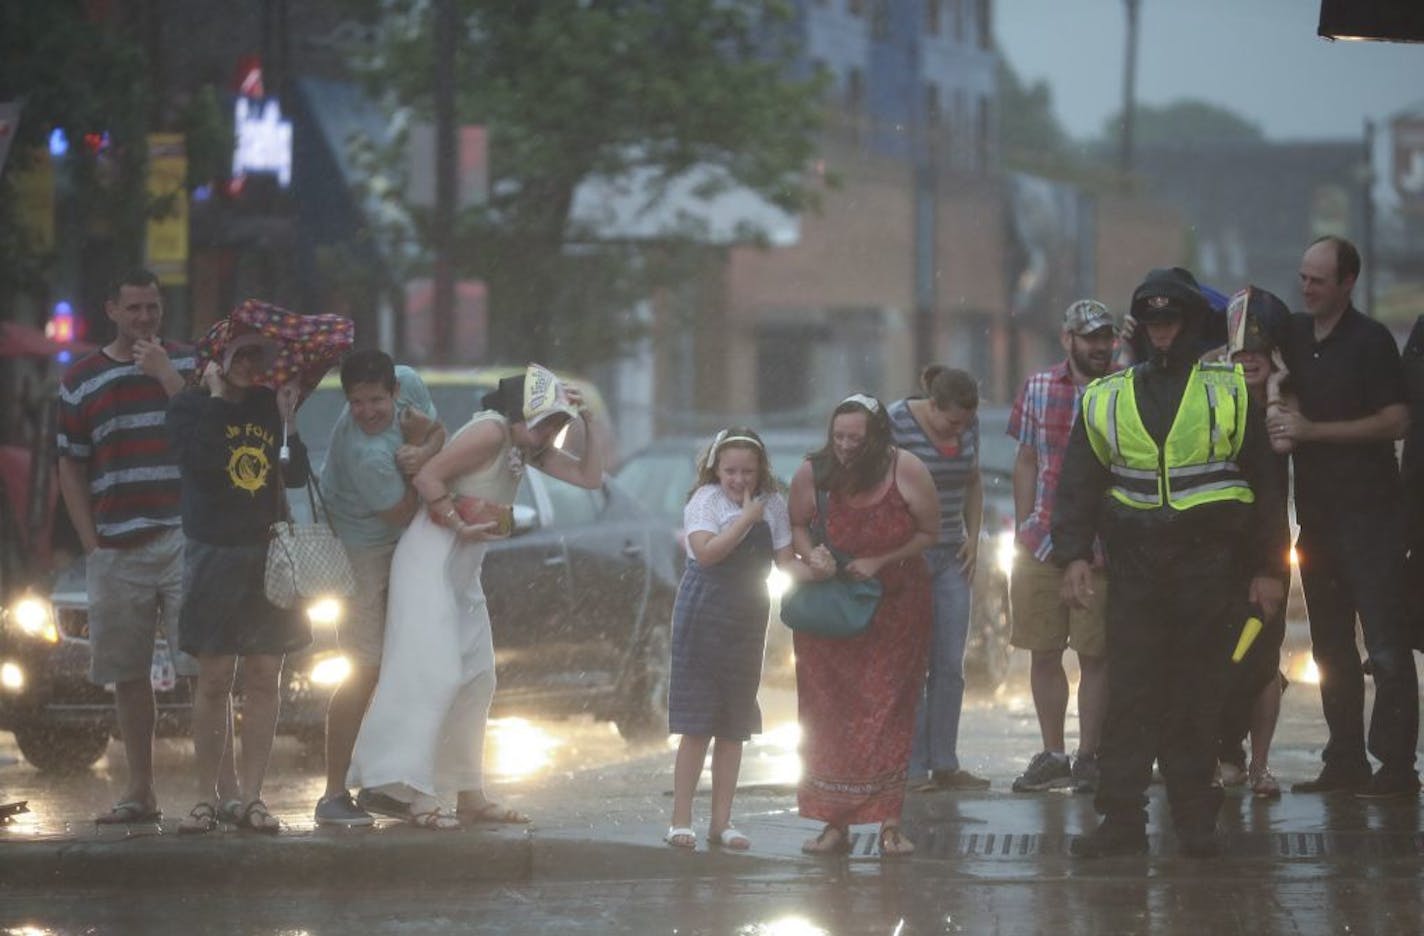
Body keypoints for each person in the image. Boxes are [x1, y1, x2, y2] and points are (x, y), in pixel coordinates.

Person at [1053, 267, 1288, 858]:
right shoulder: (1106, 396)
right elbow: (1078, 483)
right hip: (1134, 571)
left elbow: (1266, 486)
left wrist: (1268, 571)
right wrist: (1073, 556)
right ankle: (1122, 823)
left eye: (1172, 322)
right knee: (1130, 697)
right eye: (1153, 323)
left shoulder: (1228, 390)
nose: (1162, 334)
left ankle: (1195, 822)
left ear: (1189, 324)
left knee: (1195, 698)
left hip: (1210, 570)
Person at [348, 363, 606, 829]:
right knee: (436, 673)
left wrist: (589, 419)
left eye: (556, 425)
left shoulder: (525, 446)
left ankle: (469, 792)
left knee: (477, 675)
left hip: (464, 568)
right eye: (544, 420)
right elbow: (429, 478)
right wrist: (458, 521)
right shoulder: (491, 431)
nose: (549, 432)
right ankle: (405, 790)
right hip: (431, 555)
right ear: (521, 412)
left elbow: (590, 478)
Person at [55, 269, 233, 824]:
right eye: (133, 309)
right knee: (128, 674)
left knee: (208, 670)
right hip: (117, 543)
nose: (144, 319)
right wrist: (92, 544)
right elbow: (70, 466)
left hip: (185, 536)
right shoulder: (81, 380)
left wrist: (164, 376)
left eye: (152, 309)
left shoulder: (187, 365)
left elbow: (213, 434)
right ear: (112, 309)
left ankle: (222, 792)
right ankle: (140, 790)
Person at [1273, 236, 1419, 799]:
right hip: (1317, 521)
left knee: (1384, 646)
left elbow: (1397, 420)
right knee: (1330, 647)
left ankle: (1399, 767)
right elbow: (1239, 326)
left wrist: (1315, 432)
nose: (1306, 288)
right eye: (1303, 277)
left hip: (1373, 519)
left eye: (1318, 280)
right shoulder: (1292, 333)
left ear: (1347, 284)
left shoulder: (1370, 341)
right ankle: (1345, 759)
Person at [167, 332, 313, 834]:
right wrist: (214, 400)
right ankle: (207, 798)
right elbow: (201, 465)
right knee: (212, 678)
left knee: (264, 673)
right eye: (241, 355)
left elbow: (295, 477)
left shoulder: (266, 405)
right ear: (217, 362)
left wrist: (289, 417)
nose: (252, 364)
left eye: (256, 355)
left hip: (266, 555)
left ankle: (253, 797)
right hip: (212, 554)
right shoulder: (189, 406)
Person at [788, 394, 939, 857]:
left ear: (876, 437)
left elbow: (930, 532)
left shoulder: (906, 469)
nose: (846, 446)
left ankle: (890, 823)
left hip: (896, 607)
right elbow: (796, 524)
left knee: (887, 710)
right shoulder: (813, 471)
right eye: (839, 437)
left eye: (856, 438)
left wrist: (879, 560)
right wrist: (812, 554)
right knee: (829, 716)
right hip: (831, 611)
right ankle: (835, 823)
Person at [664, 428, 826, 851]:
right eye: (730, 470)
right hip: (702, 613)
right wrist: (745, 519)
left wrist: (823, 570)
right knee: (697, 723)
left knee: (733, 725)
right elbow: (707, 552)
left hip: (748, 617)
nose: (738, 479)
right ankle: (681, 821)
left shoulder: (772, 504)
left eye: (747, 471)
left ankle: (722, 823)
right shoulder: (705, 501)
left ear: (761, 471)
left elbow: (786, 563)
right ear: (715, 468)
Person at [312, 350, 445, 827]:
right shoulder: (364, 453)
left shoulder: (410, 378)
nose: (367, 412)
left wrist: (422, 448)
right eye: (356, 403)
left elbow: (439, 435)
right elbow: (406, 509)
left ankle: (385, 783)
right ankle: (332, 793)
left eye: (375, 400)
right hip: (361, 553)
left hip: (402, 547)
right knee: (362, 670)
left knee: (405, 668)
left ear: (395, 391)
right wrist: (421, 451)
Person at [1005, 299, 1116, 795]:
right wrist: (1024, 523)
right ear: (1067, 339)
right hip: (1041, 538)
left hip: (1102, 544)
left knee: (1096, 654)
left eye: (1105, 337)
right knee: (1043, 650)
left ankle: (1090, 756)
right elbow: (1027, 459)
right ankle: (1054, 753)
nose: (1099, 346)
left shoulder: (1123, 387)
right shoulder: (1040, 386)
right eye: (1089, 337)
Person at [888, 367, 990, 792]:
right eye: (951, 422)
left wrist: (974, 536)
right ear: (932, 406)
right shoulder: (895, 423)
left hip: (951, 554)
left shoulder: (969, 425)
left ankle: (944, 763)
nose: (958, 429)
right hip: (909, 556)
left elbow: (973, 480)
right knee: (910, 662)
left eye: (964, 423)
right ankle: (911, 767)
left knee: (949, 662)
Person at [1213, 286, 1295, 799]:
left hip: (1267, 551)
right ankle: (1225, 753)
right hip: (1217, 552)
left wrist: (1280, 391)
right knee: (1220, 657)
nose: (1248, 362)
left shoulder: (1287, 404)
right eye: (1239, 354)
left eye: (1257, 355)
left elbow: (1281, 449)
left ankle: (1260, 765)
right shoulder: (1213, 399)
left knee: (1263, 660)